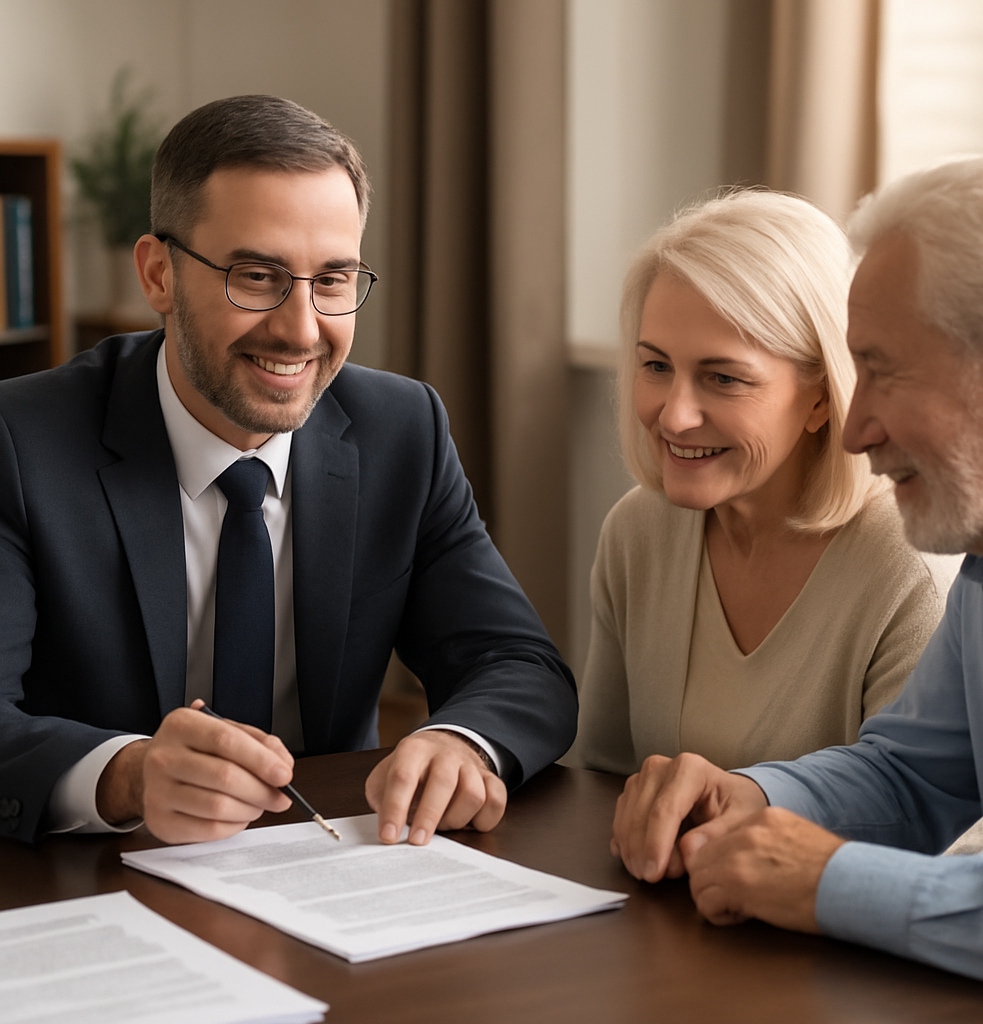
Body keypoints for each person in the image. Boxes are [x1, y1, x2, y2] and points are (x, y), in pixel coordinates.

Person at [0, 95, 576, 847]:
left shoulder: (403, 430)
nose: (301, 330)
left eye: (333, 280)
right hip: (91, 880)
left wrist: (463, 741)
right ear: (159, 275)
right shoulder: (20, 441)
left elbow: (519, 663)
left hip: (330, 871)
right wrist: (126, 775)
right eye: (257, 275)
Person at [610, 148, 983, 990]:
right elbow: (908, 774)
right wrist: (753, 801)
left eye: (883, 369)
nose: (854, 426)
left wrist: (831, 879)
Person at [569, 190, 957, 776]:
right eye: (656, 366)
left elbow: (927, 839)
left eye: (723, 378)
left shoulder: (909, 571)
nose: (674, 416)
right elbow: (602, 780)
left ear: (823, 396)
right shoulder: (638, 531)